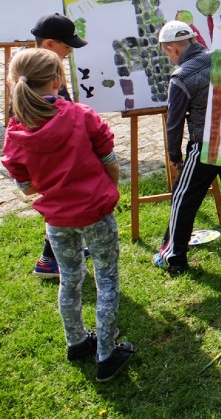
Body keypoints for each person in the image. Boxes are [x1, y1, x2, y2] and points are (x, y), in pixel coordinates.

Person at [1, 49, 135, 381]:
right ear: (59, 79)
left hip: (56, 219)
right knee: (106, 282)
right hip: (96, 212)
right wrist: (108, 189)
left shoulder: (17, 130)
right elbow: (110, 160)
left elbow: (27, 187)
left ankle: (76, 342)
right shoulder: (80, 115)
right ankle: (106, 354)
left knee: (70, 280)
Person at [152, 21, 221, 275]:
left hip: (205, 144)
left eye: (166, 52)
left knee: (183, 198)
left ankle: (174, 256)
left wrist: (174, 155)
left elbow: (174, 122)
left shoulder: (181, 77)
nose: (168, 57)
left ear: (172, 48)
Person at [25, 14, 89, 278]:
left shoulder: (41, 69)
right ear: (50, 44)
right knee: (60, 206)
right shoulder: (39, 77)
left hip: (56, 154)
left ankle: (65, 249)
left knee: (64, 205)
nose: (70, 51)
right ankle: (48, 260)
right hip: (53, 156)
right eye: (67, 46)